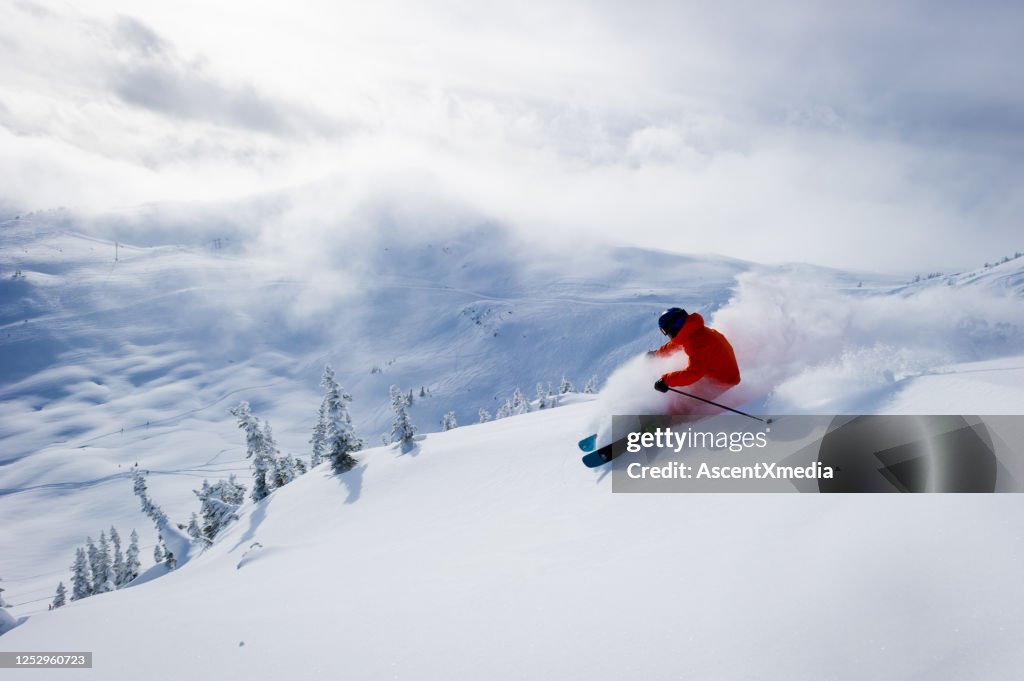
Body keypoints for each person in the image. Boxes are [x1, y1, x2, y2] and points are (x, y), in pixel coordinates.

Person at [650, 307, 740, 411]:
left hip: (722, 381)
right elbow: (676, 344)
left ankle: (671, 422)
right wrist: (657, 354)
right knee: (681, 391)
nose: (668, 335)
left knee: (682, 403)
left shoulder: (698, 343)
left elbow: (694, 373)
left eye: (667, 331)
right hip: (715, 372)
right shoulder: (692, 332)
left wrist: (666, 381)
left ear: (674, 328)